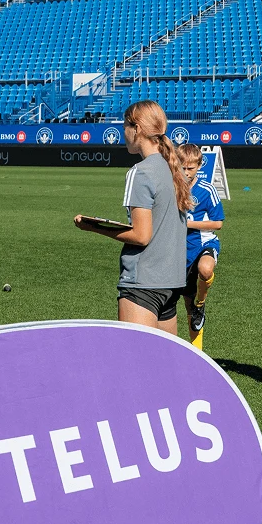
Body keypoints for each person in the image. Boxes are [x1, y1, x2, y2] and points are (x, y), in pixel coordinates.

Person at [74, 100, 190, 336]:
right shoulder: (174, 168)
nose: (123, 132)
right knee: (163, 358)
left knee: (134, 358)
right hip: (172, 281)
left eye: (125, 126)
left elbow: (141, 235)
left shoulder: (141, 172)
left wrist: (94, 227)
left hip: (144, 282)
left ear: (136, 129)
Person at [177, 144, 224, 344]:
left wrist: (187, 224)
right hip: (179, 250)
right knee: (188, 306)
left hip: (204, 243)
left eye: (191, 168)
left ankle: (201, 302)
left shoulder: (207, 190)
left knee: (205, 269)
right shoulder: (170, 187)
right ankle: (196, 353)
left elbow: (218, 223)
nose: (186, 172)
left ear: (199, 166)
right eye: (182, 168)